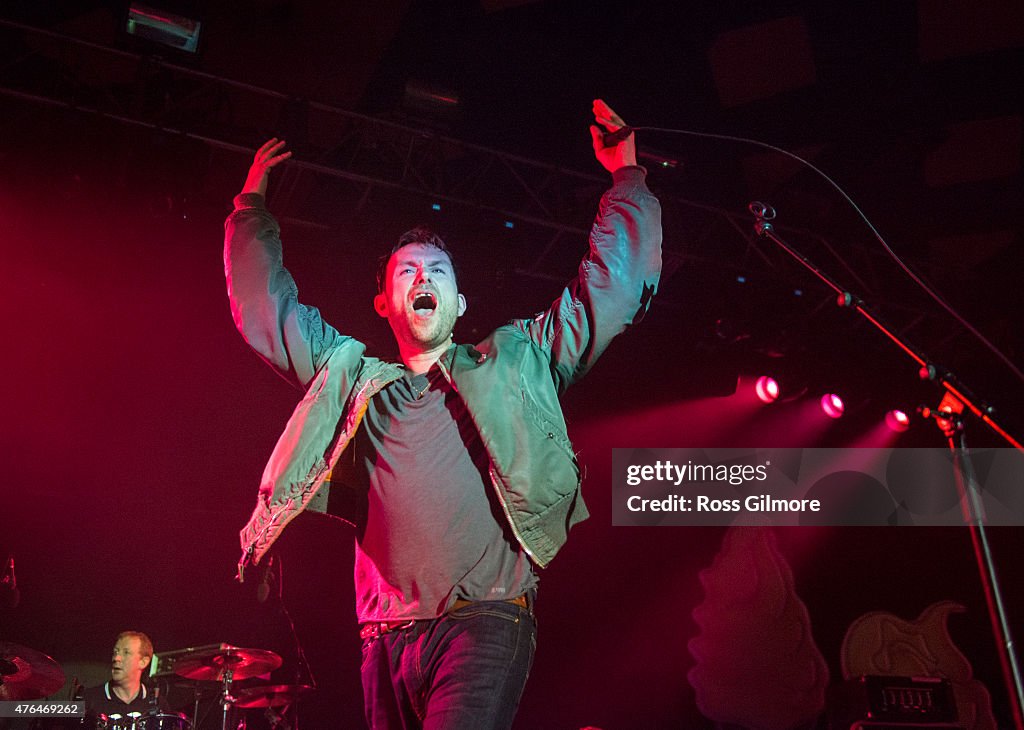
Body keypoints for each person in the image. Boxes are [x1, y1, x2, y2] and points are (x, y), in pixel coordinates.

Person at [225, 99, 662, 729]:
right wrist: (250, 208)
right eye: (407, 271)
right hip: (383, 634)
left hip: (485, 616)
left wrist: (626, 177)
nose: (421, 276)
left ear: (459, 302)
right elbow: (267, 313)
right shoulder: (351, 379)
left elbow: (610, 290)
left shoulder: (516, 361)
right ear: (385, 302)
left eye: (437, 271)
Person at [81, 631, 158, 723]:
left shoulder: (157, 704)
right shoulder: (88, 699)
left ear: (143, 662)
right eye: (115, 652)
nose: (116, 658)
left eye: (126, 652)